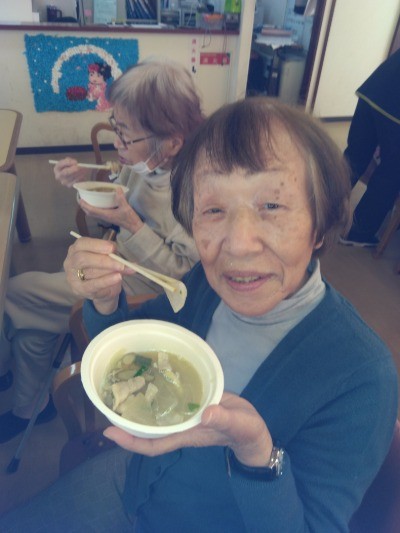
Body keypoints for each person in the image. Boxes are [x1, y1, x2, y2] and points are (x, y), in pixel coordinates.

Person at [0, 97, 397, 532]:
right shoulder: (207, 286)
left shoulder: (362, 376)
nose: (238, 245)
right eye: (213, 210)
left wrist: (256, 455)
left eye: (272, 206)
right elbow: (135, 339)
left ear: (320, 226)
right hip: (132, 477)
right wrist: (105, 299)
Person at [0, 58, 203, 443]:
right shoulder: (150, 163)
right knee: (32, 321)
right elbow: (124, 181)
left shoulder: (192, 189)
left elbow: (184, 275)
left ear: (173, 142)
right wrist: (87, 177)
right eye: (115, 127)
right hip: (117, 260)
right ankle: (30, 403)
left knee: (17, 294)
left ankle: (15, 378)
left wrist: (132, 224)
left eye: (126, 136)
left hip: (144, 288)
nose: (117, 143)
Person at [340, 48, 400, 247]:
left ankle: (320, 209)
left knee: (354, 155)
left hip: (374, 90)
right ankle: (358, 232)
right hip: (396, 109)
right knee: (392, 173)